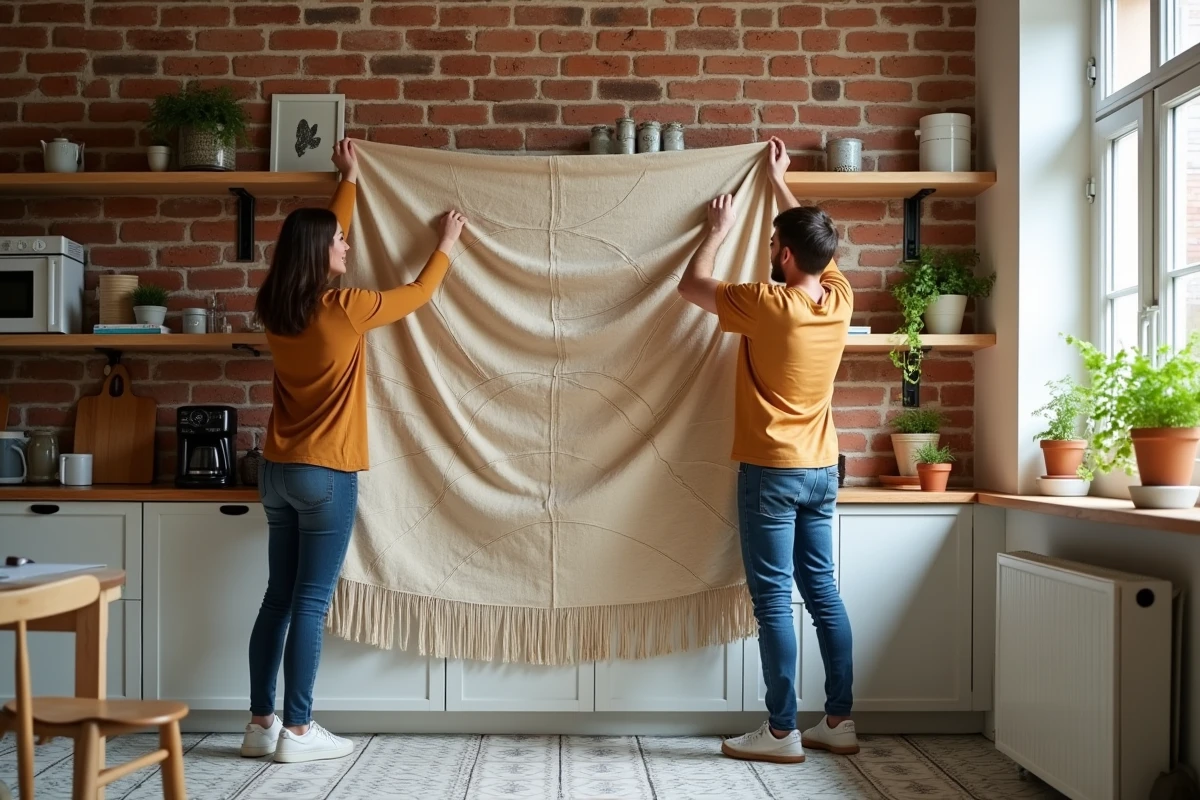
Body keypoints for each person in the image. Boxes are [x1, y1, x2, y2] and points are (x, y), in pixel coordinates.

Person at [241, 138, 468, 764]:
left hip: (278, 471)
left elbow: (325, 233)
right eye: (340, 243)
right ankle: (301, 731)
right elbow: (419, 293)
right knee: (311, 603)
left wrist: (350, 180)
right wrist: (445, 245)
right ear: (322, 256)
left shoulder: (275, 309)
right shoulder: (346, 308)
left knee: (277, 598)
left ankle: (261, 723)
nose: (347, 245)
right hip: (325, 474)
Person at [677, 137, 857, 764]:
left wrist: (718, 230)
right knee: (824, 593)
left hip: (772, 473)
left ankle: (782, 732)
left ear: (782, 254)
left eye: (774, 246)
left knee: (774, 600)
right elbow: (817, 245)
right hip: (821, 469)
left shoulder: (765, 303)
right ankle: (838, 721)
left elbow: (691, 285)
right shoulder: (838, 299)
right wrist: (780, 184)